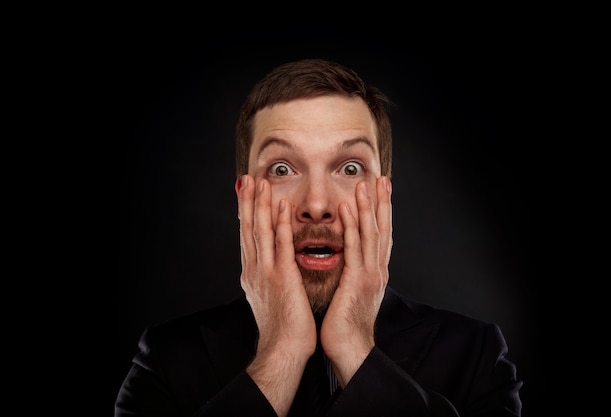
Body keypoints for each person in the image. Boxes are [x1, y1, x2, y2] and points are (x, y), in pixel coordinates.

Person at [115, 58, 523, 416]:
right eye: (281, 169)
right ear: (244, 200)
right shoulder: (166, 361)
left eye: (349, 168)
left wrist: (355, 350)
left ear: (385, 193)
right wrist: (282, 352)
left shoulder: (475, 355)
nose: (315, 204)